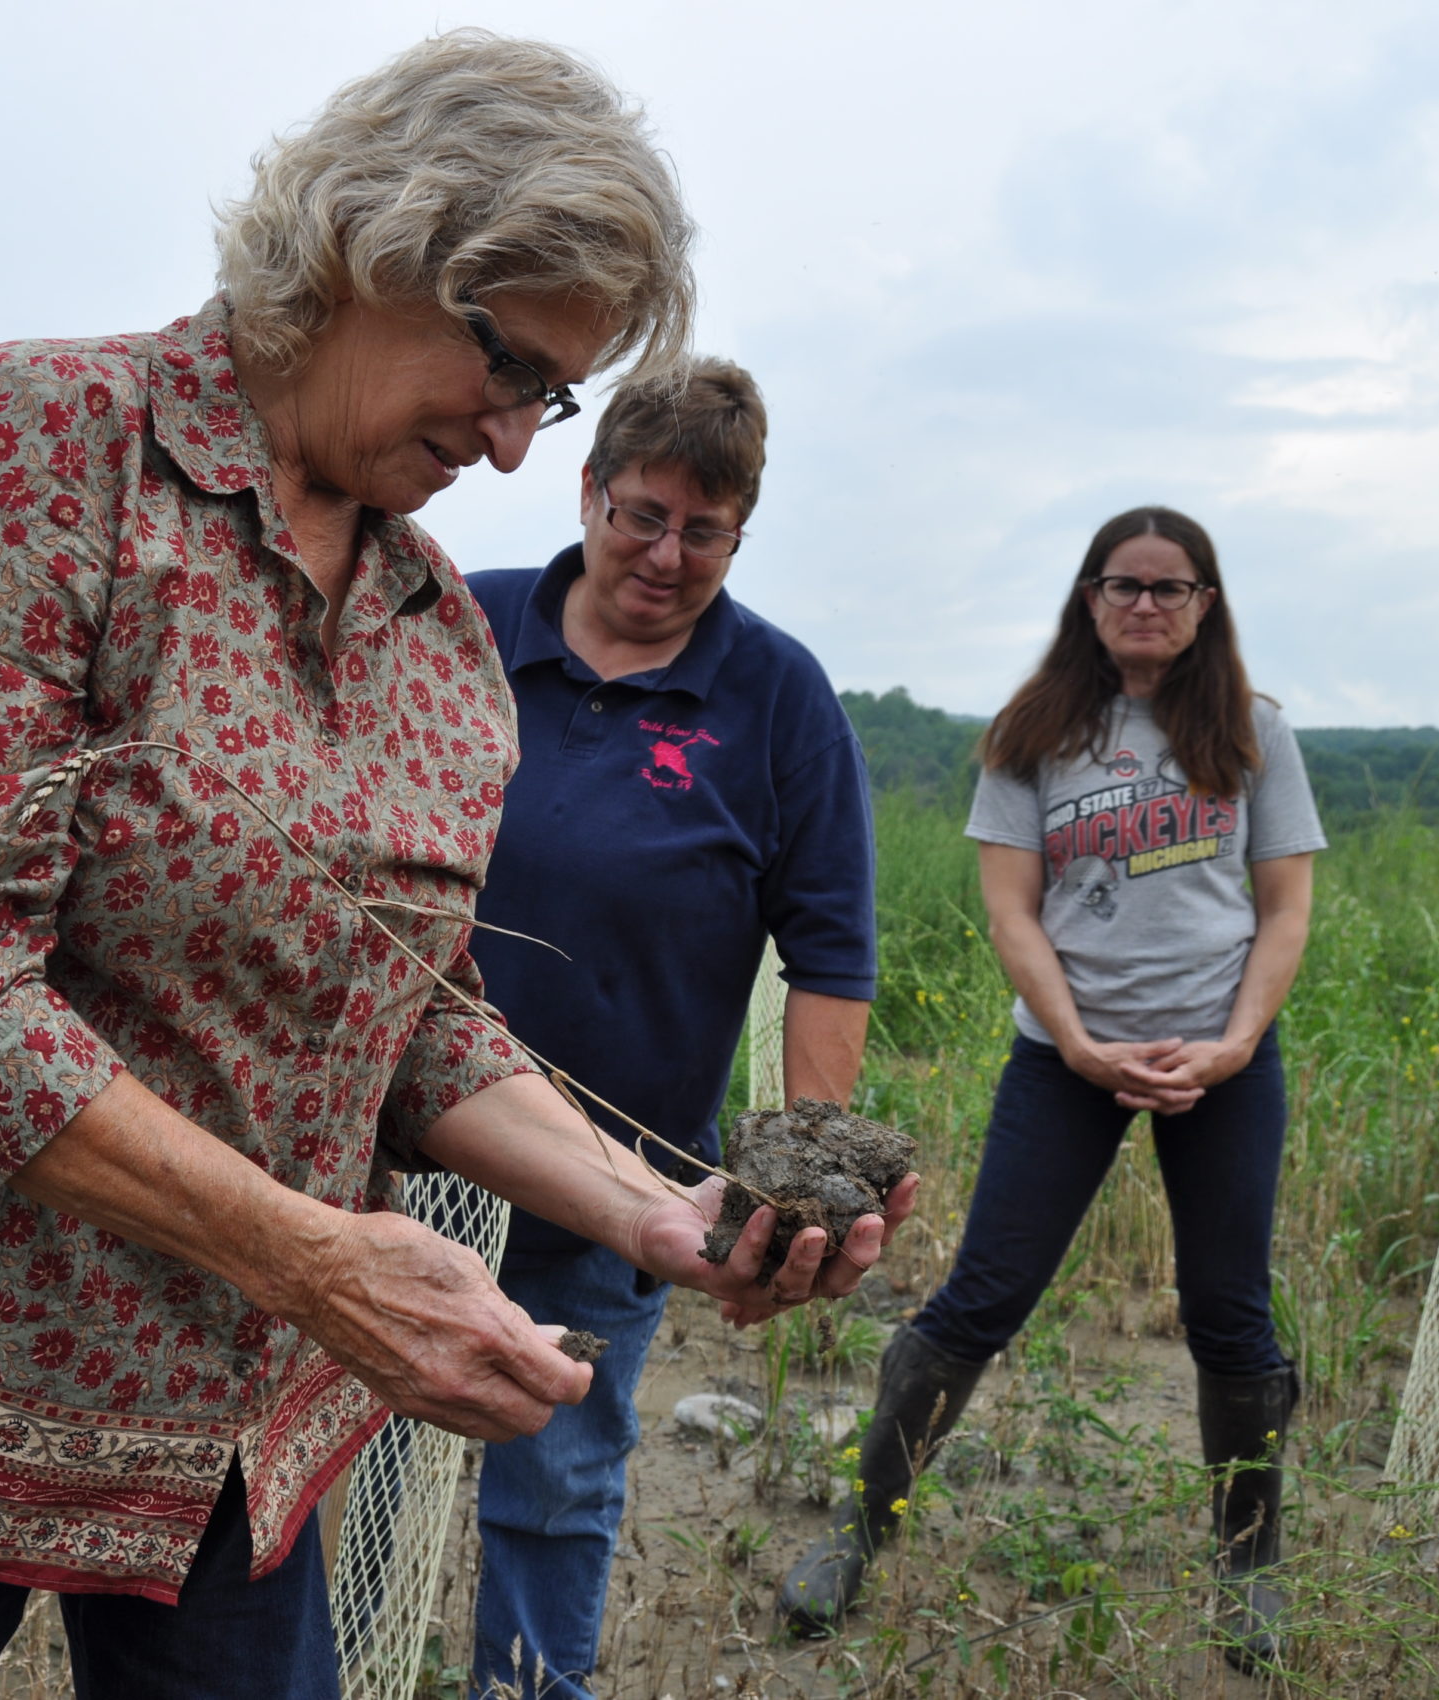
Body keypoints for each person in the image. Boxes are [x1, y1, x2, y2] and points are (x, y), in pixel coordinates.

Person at [0, 32, 909, 1698]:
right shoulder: (33, 451)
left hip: (226, 1428)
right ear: (367, 247)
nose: (515, 446)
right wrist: (315, 1261)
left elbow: (414, 1011)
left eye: (551, 398)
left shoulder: (431, 627)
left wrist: (654, 1213)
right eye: (510, 367)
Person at [775, 506, 1325, 1670]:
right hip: (1065, 1061)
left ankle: (1250, 1566)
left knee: (1229, 1310)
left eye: (1170, 587)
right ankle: (859, 1529)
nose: (1146, 603)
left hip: (1219, 1064)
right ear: (1089, 597)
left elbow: (1284, 910)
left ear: (1204, 605)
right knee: (981, 1296)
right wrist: (1074, 1041)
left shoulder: (1254, 730)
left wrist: (1233, 1045)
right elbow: (1011, 911)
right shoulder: (1032, 731)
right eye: (1124, 584)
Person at [462, 357, 895, 1698]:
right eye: (642, 515)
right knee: (348, 1448)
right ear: (587, 488)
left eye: (704, 532)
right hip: (392, 1148)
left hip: (619, 1180)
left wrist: (799, 1194)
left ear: (741, 532)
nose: (664, 555)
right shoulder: (463, 623)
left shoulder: (777, 697)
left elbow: (830, 955)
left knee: (554, 1476)